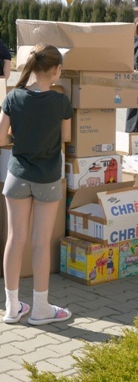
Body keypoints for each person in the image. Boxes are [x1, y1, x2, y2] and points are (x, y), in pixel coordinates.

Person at [1, 44, 73, 325]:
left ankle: (11, 307)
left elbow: (1, 137)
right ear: (55, 70)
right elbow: (65, 137)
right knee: (40, 242)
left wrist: (20, 139)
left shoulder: (13, 97)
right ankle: (41, 308)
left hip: (17, 175)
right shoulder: (60, 101)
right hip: (48, 178)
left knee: (14, 238)